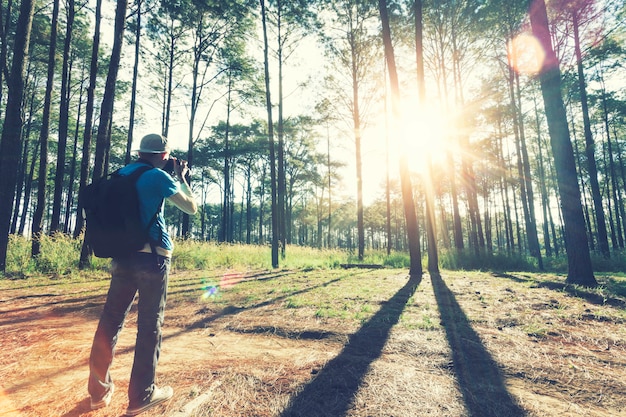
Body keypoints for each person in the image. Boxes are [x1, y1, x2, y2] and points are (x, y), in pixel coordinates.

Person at [87, 133, 198, 416]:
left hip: (122, 256)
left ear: (140, 152)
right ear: (163, 155)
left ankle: (98, 393)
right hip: (152, 258)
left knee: (111, 321)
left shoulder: (122, 173)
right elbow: (191, 207)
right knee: (149, 325)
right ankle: (142, 396)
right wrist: (182, 177)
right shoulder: (157, 177)